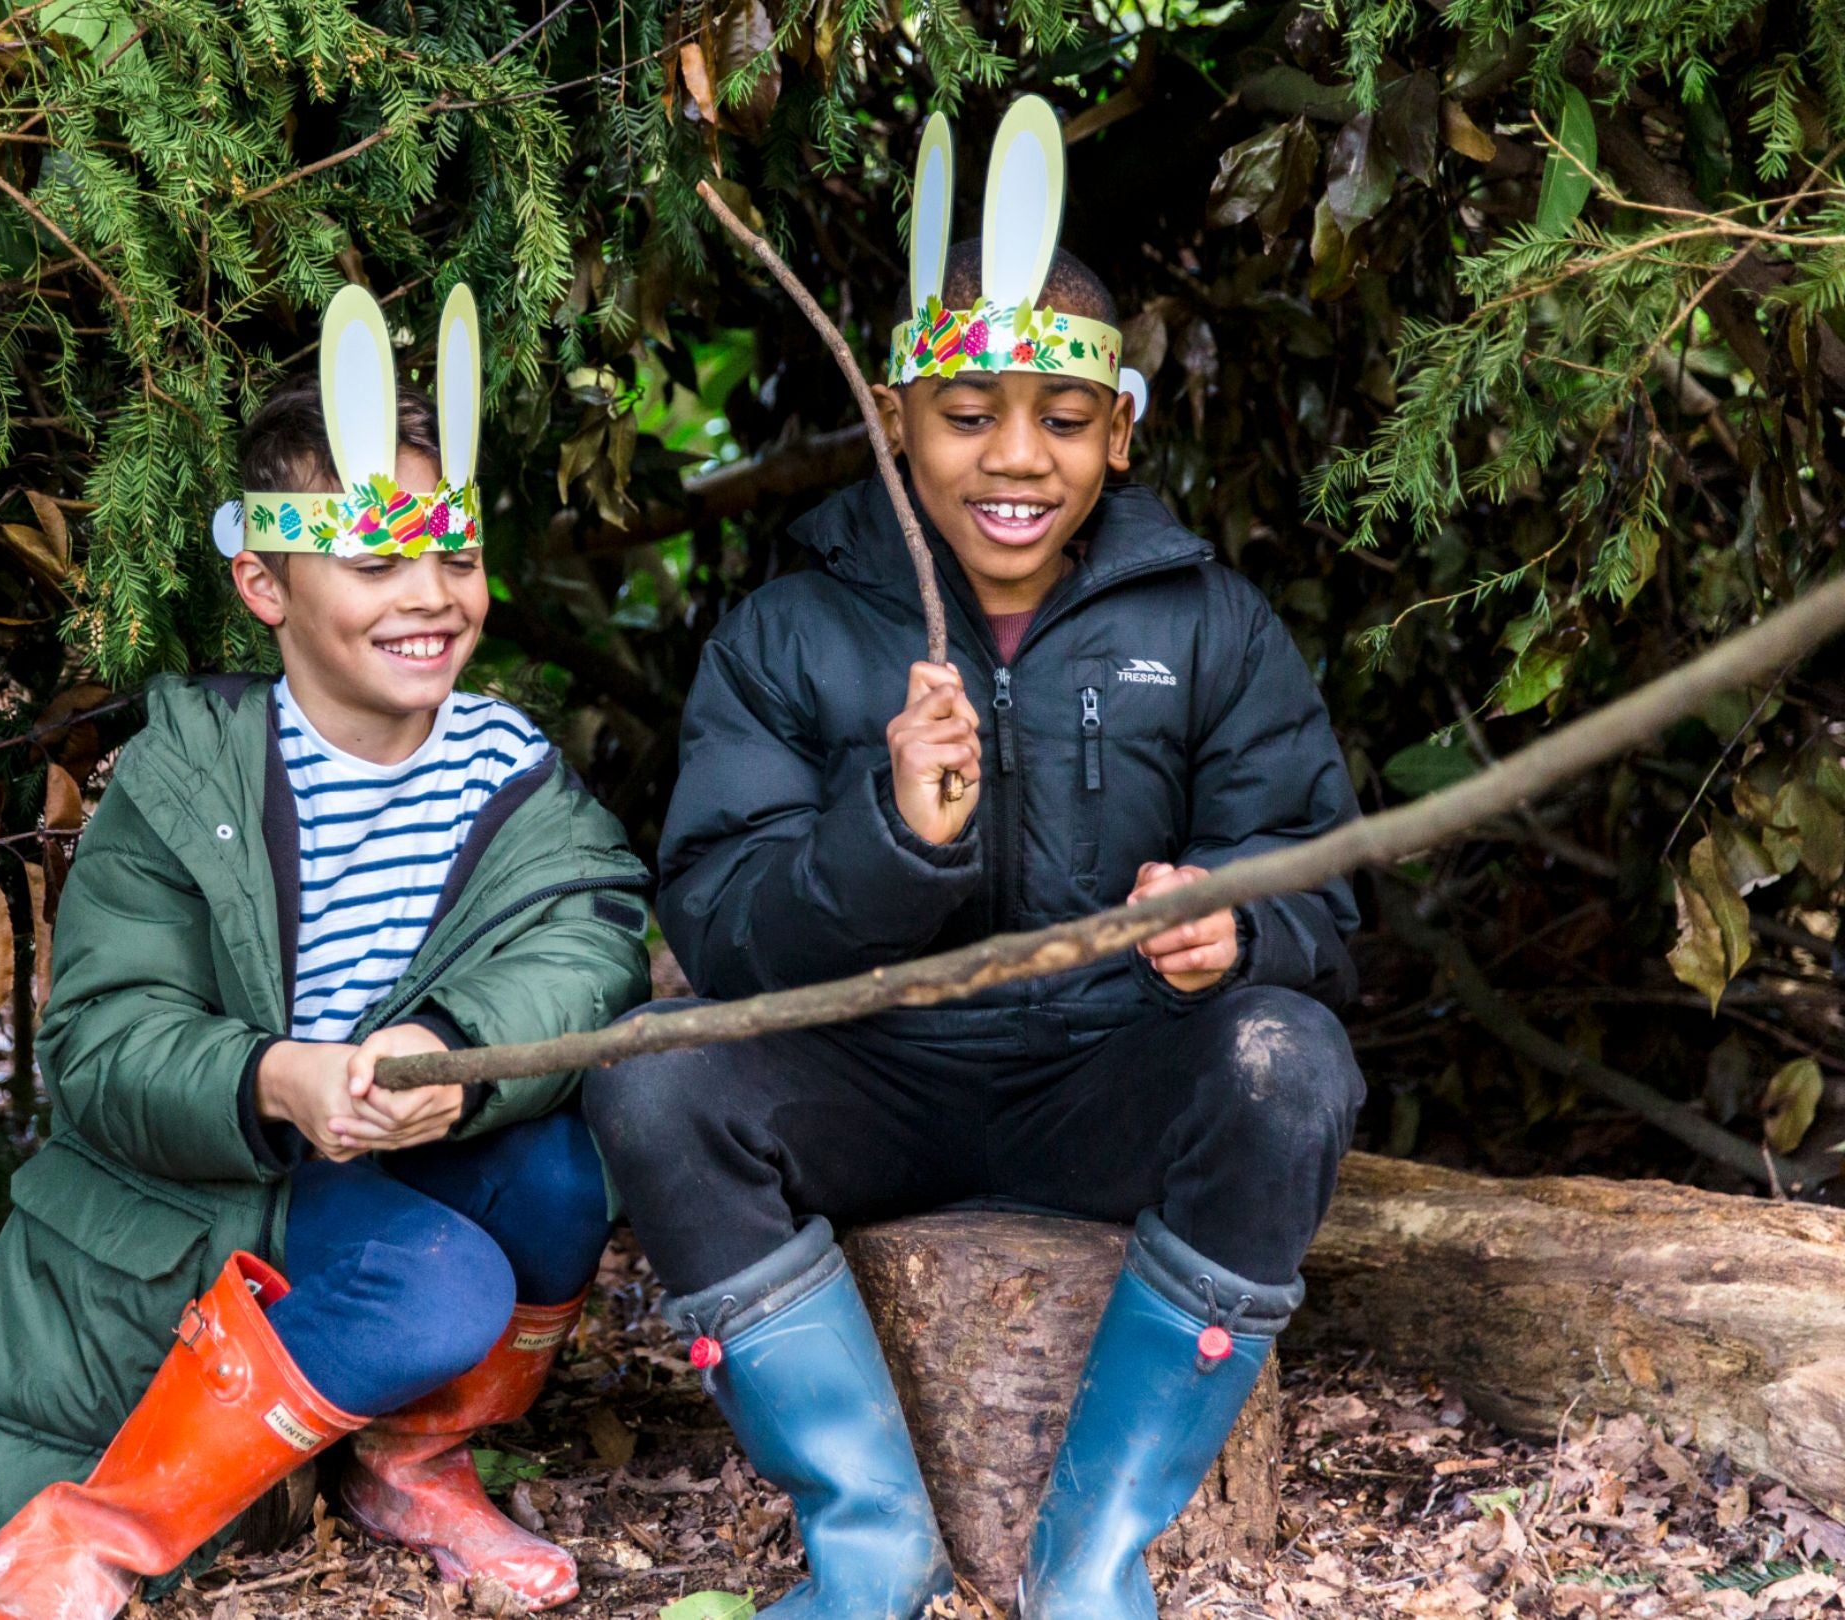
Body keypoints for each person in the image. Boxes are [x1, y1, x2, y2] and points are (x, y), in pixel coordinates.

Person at [583, 101, 1365, 1620]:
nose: (1018, 460)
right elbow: (725, 923)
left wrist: (1237, 930)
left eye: (1063, 423)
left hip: (1108, 1081)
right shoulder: (792, 627)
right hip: (871, 1081)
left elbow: (1323, 886)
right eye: (966, 416)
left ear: (1119, 432)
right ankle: (869, 1548)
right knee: (650, 1071)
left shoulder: (1206, 625)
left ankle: (1093, 1559)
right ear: (892, 418)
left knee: (1288, 1058)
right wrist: (888, 838)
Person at [0, 283, 651, 1620]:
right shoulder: (182, 776)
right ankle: (102, 1522)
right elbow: (101, 1048)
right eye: (376, 563)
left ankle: (413, 1461)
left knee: (558, 1178)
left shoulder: (507, 766)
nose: (431, 597)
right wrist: (271, 1077)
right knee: (444, 1286)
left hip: (393, 1145)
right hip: (217, 1184)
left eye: (456, 555)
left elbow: (585, 938)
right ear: (264, 582)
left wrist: (449, 1055)